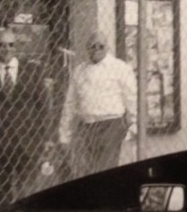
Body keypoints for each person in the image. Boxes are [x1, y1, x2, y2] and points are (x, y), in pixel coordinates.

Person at [0, 28, 48, 203]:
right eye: (2, 45)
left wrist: (46, 138)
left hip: (28, 144)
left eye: (11, 44)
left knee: (29, 196)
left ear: (17, 47)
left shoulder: (32, 71)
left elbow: (44, 107)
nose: (7, 49)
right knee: (1, 198)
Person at [58, 31, 137, 176]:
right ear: (86, 48)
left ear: (107, 47)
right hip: (86, 127)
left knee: (105, 171)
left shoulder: (119, 68)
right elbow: (69, 104)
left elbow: (132, 98)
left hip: (110, 126)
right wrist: (64, 134)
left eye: (100, 46)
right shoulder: (79, 71)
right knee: (85, 171)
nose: (96, 50)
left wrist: (132, 124)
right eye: (92, 46)